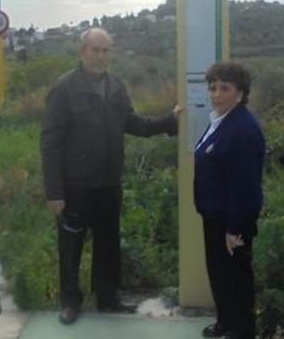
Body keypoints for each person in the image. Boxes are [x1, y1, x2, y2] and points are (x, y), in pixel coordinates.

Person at [40, 27, 180, 325]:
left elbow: (132, 122)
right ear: (83, 52)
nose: (101, 55)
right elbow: (50, 142)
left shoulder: (116, 86)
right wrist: (54, 192)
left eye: (105, 50)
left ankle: (107, 297)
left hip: (108, 183)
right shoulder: (64, 88)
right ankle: (70, 302)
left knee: (108, 243)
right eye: (95, 49)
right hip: (75, 185)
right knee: (70, 246)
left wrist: (169, 122)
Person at [194, 61, 265, 339]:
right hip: (213, 215)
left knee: (236, 277)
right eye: (213, 87)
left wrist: (235, 228)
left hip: (232, 220)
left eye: (224, 88)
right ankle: (225, 322)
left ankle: (242, 330)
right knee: (220, 274)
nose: (216, 94)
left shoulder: (242, 129)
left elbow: (245, 186)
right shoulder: (220, 121)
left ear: (240, 93)